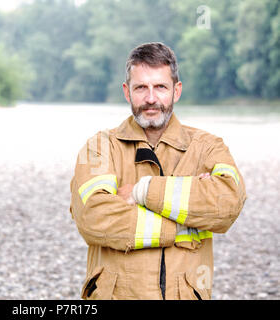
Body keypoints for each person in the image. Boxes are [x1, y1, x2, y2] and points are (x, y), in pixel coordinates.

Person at [69, 42, 247, 300]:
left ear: (177, 91)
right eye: (141, 87)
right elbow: (95, 218)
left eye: (160, 87)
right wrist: (185, 227)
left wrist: (142, 191)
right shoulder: (99, 147)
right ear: (127, 92)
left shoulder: (208, 147)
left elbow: (227, 205)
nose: (151, 98)